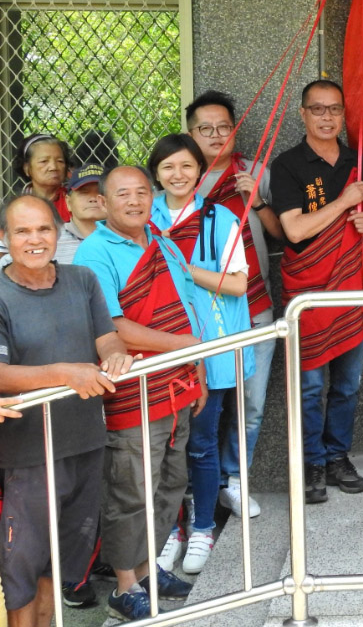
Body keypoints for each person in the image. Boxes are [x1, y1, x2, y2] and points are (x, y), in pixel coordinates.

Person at [73, 166, 205, 621]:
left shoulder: (162, 240)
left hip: (177, 384)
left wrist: (197, 368)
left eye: (141, 192)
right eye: (122, 195)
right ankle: (125, 584)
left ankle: (149, 571)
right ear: (104, 204)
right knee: (131, 488)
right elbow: (112, 327)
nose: (134, 201)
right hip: (133, 390)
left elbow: (186, 309)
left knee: (170, 482)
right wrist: (186, 348)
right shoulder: (95, 252)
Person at [0, 194, 134, 627]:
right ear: (5, 239)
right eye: (22, 231)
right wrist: (64, 374)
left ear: (58, 233)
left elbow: (107, 336)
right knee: (23, 566)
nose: (35, 240)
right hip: (26, 455)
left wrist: (115, 355)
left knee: (58, 564)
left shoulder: (83, 279)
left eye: (43, 229)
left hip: (84, 442)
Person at [270, 79, 363, 504]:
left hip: (350, 286)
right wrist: (343, 202)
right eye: (317, 109)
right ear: (302, 114)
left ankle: (338, 457)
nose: (326, 117)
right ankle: (312, 462)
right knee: (312, 386)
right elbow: (295, 229)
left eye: (334, 109)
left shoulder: (358, 161)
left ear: (343, 115)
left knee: (348, 384)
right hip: (310, 289)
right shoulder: (287, 166)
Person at [148, 134, 255, 574]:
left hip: (210, 346)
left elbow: (237, 284)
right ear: (156, 171)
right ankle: (168, 529)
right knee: (164, 447)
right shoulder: (143, 214)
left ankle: (203, 527)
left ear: (200, 171)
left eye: (187, 167)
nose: (178, 174)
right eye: (169, 167)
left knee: (201, 444)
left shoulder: (220, 217)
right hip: (157, 345)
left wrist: (185, 269)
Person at [187, 90, 281, 518]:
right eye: (205, 129)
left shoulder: (254, 172)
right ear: (190, 134)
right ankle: (198, 486)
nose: (216, 136)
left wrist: (256, 201)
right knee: (204, 401)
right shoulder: (181, 179)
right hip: (200, 311)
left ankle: (236, 479)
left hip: (254, 301)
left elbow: (280, 234)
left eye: (224, 128)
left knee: (252, 401)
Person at [54, 164, 106, 264]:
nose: (93, 199)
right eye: (84, 192)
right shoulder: (53, 240)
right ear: (68, 202)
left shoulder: (128, 240)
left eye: (100, 192)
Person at [15, 134, 72, 222]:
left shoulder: (74, 200)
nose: (53, 167)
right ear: (26, 168)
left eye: (60, 161)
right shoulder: (16, 206)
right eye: (44, 161)